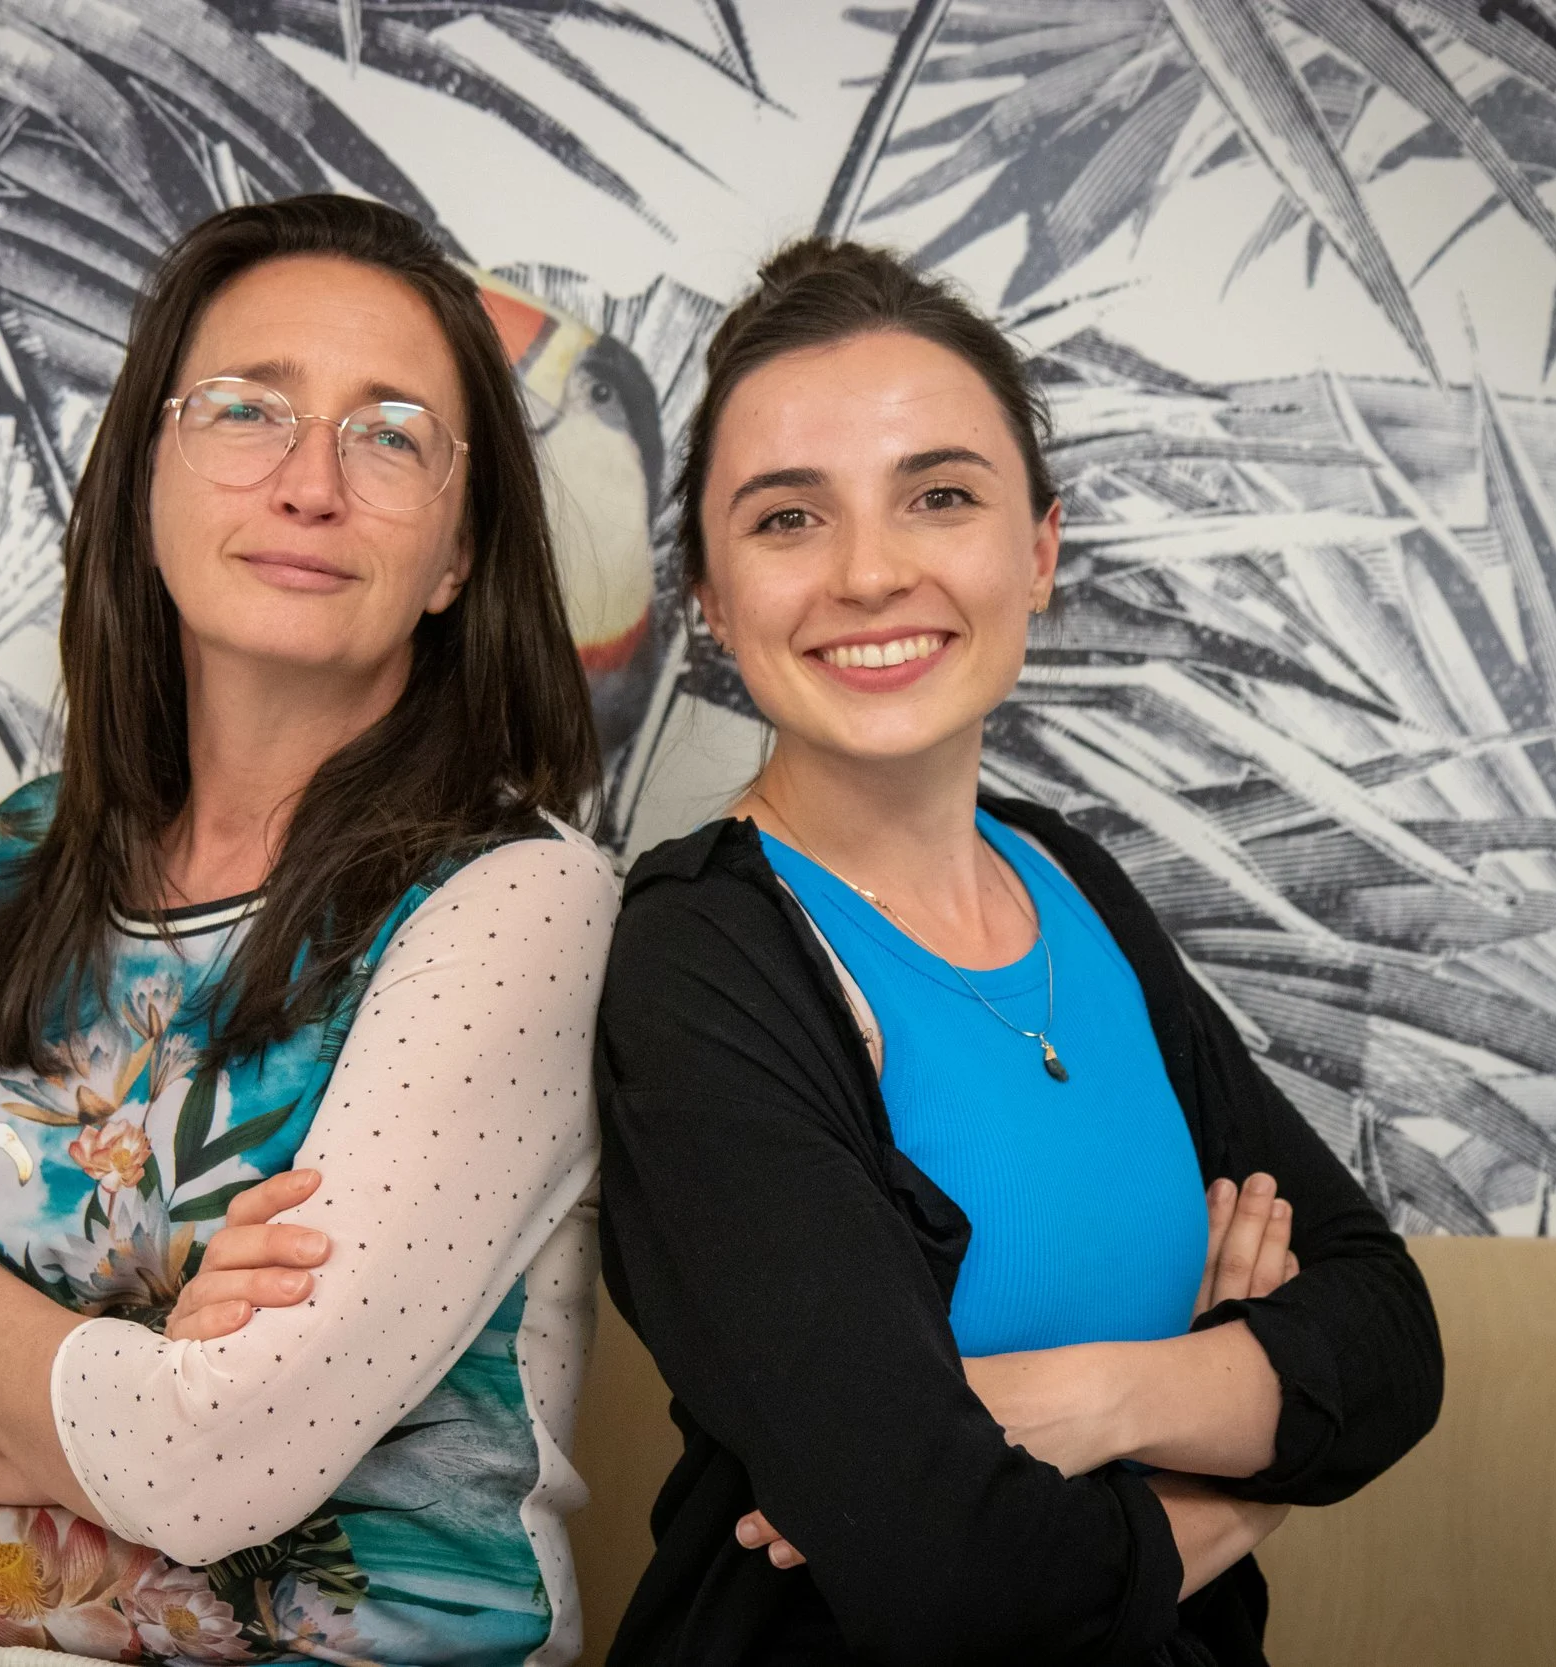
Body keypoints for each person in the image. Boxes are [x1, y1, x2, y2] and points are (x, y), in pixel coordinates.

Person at [0, 195, 615, 1667]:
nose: (309, 482)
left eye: (392, 433)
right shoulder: (26, 848)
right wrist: (149, 1388)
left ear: (459, 554)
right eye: (247, 410)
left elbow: (219, 1470)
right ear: (148, 474)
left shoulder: (520, 899)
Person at [592, 239, 1444, 1666]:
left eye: (939, 495)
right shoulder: (698, 961)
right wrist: (1249, 1454)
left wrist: (1098, 1397)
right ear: (712, 603)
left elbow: (1389, 1335)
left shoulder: (1071, 875)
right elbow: (957, 1572)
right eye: (789, 518)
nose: (870, 572)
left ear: (1038, 550)